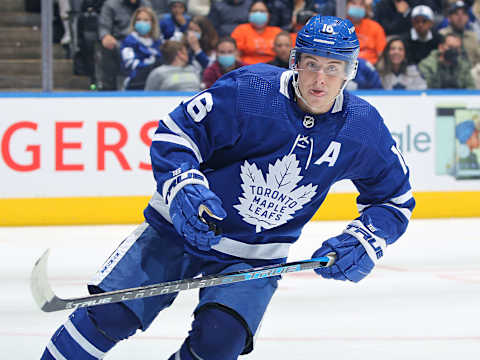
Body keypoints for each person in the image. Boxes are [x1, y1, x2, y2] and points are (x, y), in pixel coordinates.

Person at [40, 15, 415, 360]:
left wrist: (369, 238)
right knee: (110, 316)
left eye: (333, 68)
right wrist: (183, 185)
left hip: (254, 255)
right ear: (295, 61)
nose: (320, 79)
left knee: (219, 344)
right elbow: (177, 132)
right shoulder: (249, 90)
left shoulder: (362, 128)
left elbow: (395, 200)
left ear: (349, 71)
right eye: (312, 64)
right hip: (181, 228)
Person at [97, 0, 152, 90]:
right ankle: (109, 89)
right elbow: (104, 27)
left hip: (143, 41)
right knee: (108, 47)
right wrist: (106, 36)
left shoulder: (146, 4)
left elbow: (153, 25)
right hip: (119, 43)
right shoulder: (110, 4)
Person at [120, 7, 163, 89]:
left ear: (152, 23)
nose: (141, 23)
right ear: (134, 22)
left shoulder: (158, 42)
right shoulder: (129, 41)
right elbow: (129, 64)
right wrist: (150, 65)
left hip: (157, 83)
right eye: (138, 20)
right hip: (136, 83)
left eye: (146, 20)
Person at [231, 0, 282, 65]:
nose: (258, 14)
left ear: (269, 15)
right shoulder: (241, 30)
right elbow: (235, 55)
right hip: (247, 68)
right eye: (255, 11)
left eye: (262, 11)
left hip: (273, 68)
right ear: (249, 14)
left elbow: (284, 55)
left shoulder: (277, 32)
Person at [346, 0, 387, 65]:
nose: (357, 7)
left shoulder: (375, 27)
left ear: (365, 8)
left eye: (361, 4)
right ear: (345, 6)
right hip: (346, 68)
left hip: (370, 68)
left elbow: (382, 54)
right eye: (354, 3)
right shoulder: (339, 27)